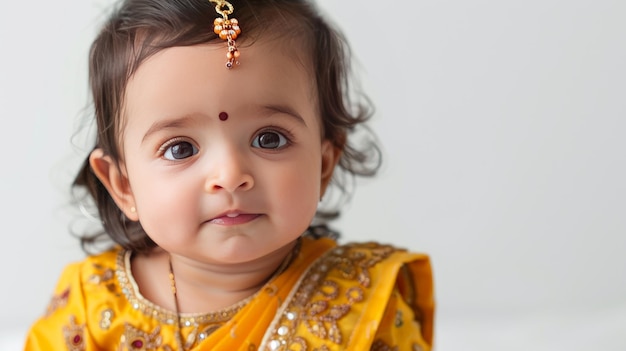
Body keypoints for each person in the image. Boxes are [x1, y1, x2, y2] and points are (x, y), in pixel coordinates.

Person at [24, 0, 435, 350]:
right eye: (180, 148)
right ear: (123, 185)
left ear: (324, 164)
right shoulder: (91, 303)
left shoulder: (363, 303)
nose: (230, 175)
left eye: (269, 139)